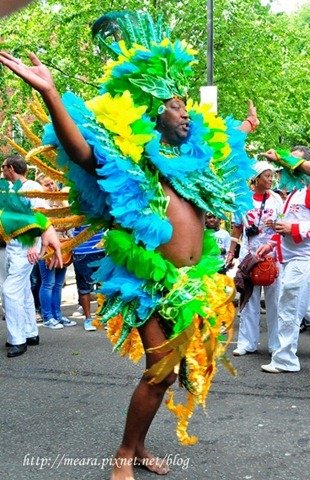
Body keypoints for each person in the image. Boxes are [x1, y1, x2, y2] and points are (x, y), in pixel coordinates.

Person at [0, 11, 258, 478]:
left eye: (186, 106)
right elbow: (83, 153)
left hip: (193, 282)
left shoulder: (197, 167)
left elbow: (221, 149)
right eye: (178, 106)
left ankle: (136, 447)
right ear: (155, 110)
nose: (186, 113)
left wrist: (242, 131)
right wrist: (52, 93)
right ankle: (124, 453)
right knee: (159, 370)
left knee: (170, 374)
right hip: (144, 280)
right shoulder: (135, 165)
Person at [256, 146, 310, 373]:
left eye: (293, 162)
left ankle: (285, 360)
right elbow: (282, 225)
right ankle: (284, 357)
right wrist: (270, 244)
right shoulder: (291, 193)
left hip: (305, 258)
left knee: (290, 309)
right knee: (289, 307)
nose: (286, 167)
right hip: (288, 259)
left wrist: (293, 227)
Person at [1, 156, 56, 357]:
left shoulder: (32, 187)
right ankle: (31, 333)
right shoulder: (12, 188)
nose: (3, 171)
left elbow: (40, 216)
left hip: (27, 248)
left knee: (10, 290)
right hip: (13, 246)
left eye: (4, 167)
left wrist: (35, 244)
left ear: (11, 168)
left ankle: (17, 340)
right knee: (22, 290)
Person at [228, 161, 283, 356]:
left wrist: (275, 223)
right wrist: (230, 252)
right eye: (267, 176)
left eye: (272, 176)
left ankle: (276, 344)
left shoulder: (277, 199)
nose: (271, 179)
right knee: (248, 297)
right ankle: (246, 343)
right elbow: (237, 227)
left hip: (272, 254)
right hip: (249, 255)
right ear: (256, 178)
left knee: (274, 301)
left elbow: (284, 224)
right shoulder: (242, 199)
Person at [37, 174, 76, 329]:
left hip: (64, 246)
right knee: (48, 283)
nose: (51, 186)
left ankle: (58, 315)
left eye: (52, 183)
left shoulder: (62, 202)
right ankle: (47, 317)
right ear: (40, 188)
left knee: (58, 284)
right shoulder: (39, 205)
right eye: (47, 184)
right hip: (47, 249)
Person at [72, 226, 105, 332]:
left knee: (104, 285)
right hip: (83, 251)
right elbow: (64, 225)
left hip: (102, 248)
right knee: (84, 288)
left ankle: (103, 316)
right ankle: (88, 319)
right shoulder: (74, 209)